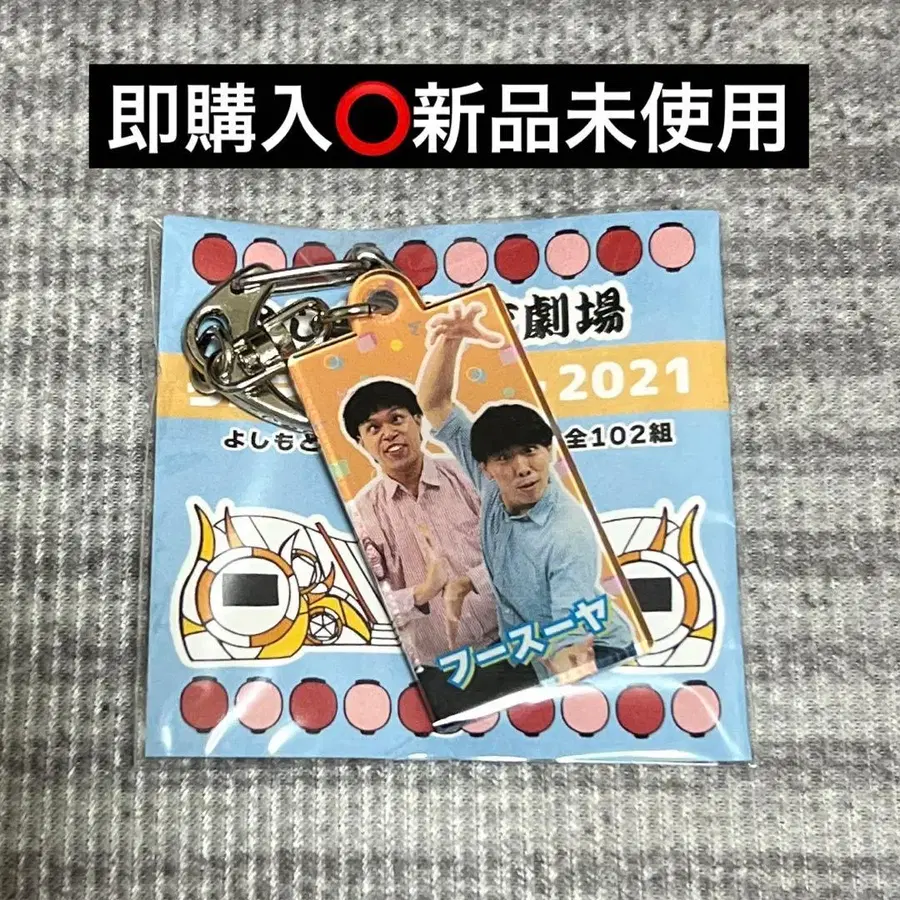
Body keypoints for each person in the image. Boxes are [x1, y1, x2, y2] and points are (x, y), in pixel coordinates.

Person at [416, 302, 637, 684]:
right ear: (485, 467)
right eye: (504, 458)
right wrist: (450, 342)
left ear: (549, 451)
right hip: (532, 648)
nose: (522, 468)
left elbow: (570, 645)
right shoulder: (492, 484)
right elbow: (434, 404)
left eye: (531, 451)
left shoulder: (566, 535)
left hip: (595, 653)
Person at [343, 379, 533, 720]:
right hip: (445, 672)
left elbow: (520, 546)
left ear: (418, 421)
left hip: (518, 643)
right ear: (360, 443)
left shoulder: (469, 475)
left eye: (397, 419)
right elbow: (366, 606)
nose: (389, 434)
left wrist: (470, 581)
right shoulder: (360, 515)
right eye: (373, 428)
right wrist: (422, 592)